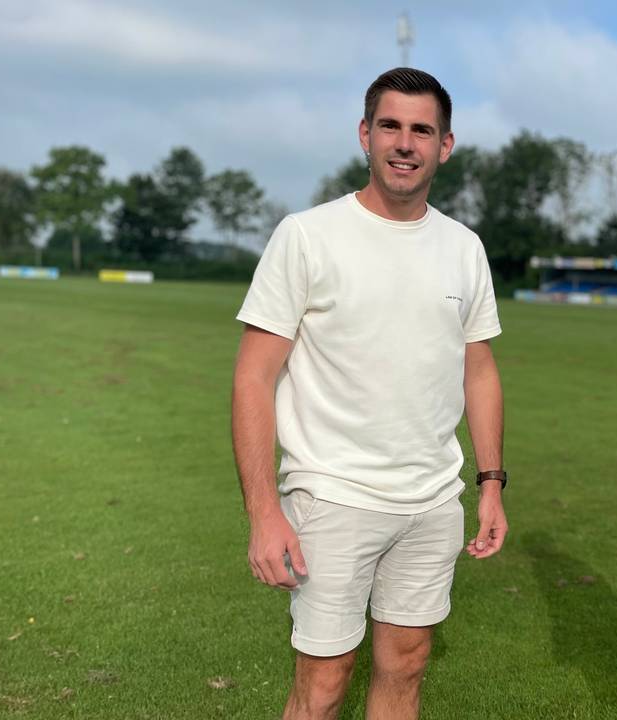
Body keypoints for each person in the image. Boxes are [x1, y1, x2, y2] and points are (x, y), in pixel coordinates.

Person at [231, 67, 508, 720]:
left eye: (422, 130)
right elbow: (253, 376)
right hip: (332, 495)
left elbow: (480, 370)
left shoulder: (464, 248)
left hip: (432, 499)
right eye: (391, 126)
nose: (405, 143)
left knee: (407, 667)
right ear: (365, 135)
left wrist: (490, 481)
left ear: (446, 144)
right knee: (323, 684)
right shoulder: (307, 235)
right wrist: (263, 511)